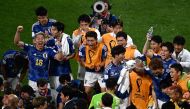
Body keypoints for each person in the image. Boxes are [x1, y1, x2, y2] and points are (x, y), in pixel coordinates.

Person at [14, 25, 63, 90]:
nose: (40, 40)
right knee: (33, 98)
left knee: (46, 99)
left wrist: (59, 48)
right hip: (33, 81)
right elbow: (17, 42)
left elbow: (59, 58)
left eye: (42, 38)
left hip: (45, 81)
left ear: (45, 40)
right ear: (34, 41)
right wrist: (18, 32)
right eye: (38, 39)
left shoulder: (49, 50)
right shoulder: (29, 48)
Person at [72, 14, 101, 80]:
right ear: (79, 24)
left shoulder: (95, 31)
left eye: (86, 24)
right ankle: (82, 88)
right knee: (81, 76)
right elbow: (75, 45)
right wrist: (79, 35)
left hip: (93, 56)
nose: (84, 27)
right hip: (81, 57)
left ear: (89, 24)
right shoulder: (76, 32)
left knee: (94, 74)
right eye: (82, 25)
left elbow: (99, 41)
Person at [47, 21, 75, 89]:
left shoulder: (68, 40)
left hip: (65, 70)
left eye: (54, 30)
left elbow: (73, 53)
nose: (51, 31)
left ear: (60, 31)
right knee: (54, 92)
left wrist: (67, 58)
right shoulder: (50, 41)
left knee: (68, 89)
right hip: (52, 70)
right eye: (51, 29)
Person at [79, 31, 107, 96]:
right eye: (88, 40)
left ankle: (103, 105)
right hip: (89, 72)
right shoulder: (82, 47)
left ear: (96, 40)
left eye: (92, 41)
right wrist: (87, 66)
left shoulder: (103, 47)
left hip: (101, 72)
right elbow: (81, 60)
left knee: (104, 92)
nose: (90, 43)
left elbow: (105, 60)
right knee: (87, 92)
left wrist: (100, 65)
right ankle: (91, 104)